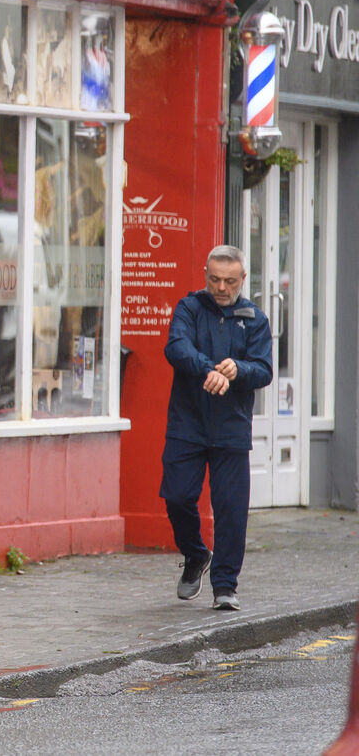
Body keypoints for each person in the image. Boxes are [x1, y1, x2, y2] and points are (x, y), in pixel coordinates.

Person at [161, 244, 272, 611]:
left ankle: (225, 586)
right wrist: (209, 369)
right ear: (205, 274)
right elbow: (176, 348)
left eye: (229, 281)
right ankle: (196, 555)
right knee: (177, 497)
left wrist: (238, 371)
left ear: (243, 279)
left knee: (231, 510)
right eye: (214, 279)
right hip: (187, 423)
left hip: (231, 429)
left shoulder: (255, 319)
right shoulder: (189, 308)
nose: (221, 287)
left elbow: (264, 370)